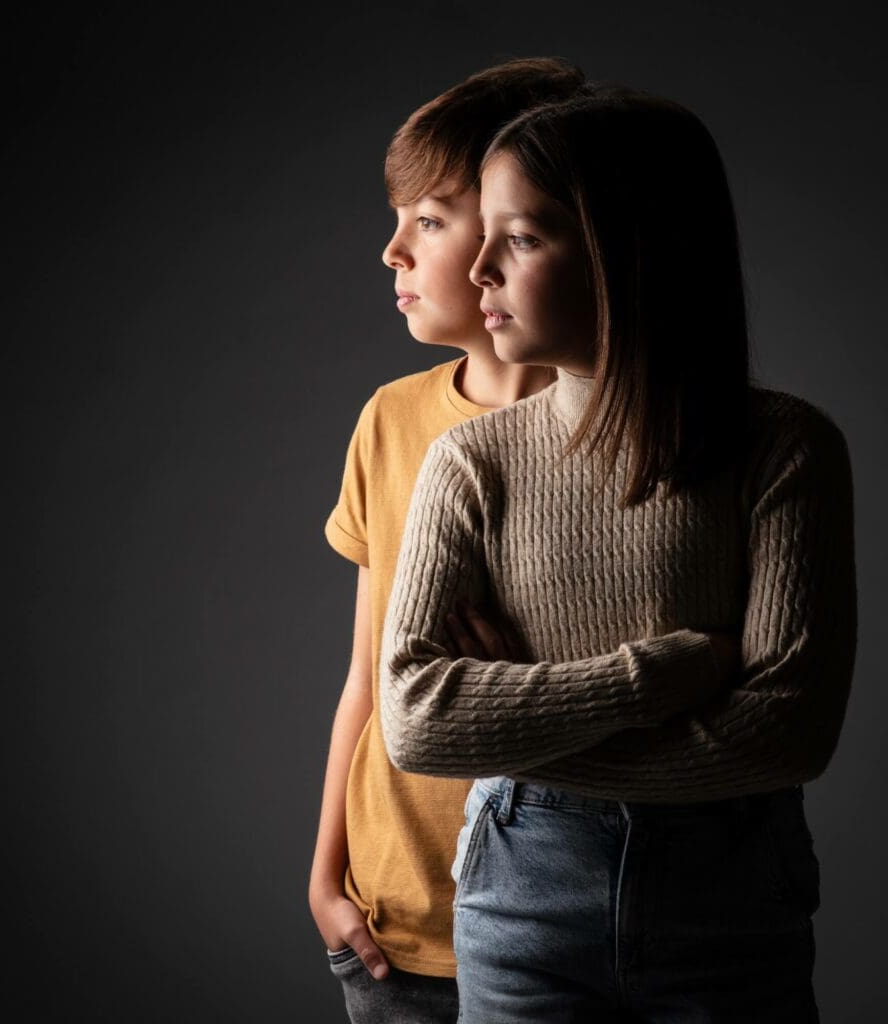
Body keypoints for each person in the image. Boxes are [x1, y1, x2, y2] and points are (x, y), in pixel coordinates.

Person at [380, 88, 857, 1021]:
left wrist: (525, 726)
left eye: (521, 238)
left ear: (630, 252)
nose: (476, 268)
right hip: (524, 891)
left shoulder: (785, 448)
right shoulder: (471, 462)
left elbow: (791, 732)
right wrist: (671, 672)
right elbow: (418, 723)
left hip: (729, 901)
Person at [308, 58, 590, 1023]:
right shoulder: (389, 420)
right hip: (390, 923)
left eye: (428, 220)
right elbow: (367, 676)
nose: (393, 251)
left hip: (555, 918)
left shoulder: (608, 429)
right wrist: (325, 873)